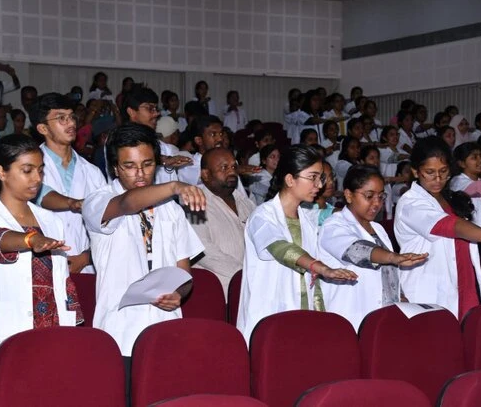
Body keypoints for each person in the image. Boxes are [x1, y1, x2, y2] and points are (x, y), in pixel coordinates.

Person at [0, 135, 82, 407]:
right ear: (1, 172)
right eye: (27, 170)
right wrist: (30, 240)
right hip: (2, 331)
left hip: (51, 333)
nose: (36, 178)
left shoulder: (51, 220)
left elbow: (64, 285)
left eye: (40, 170)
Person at [81, 123, 204, 377]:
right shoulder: (98, 200)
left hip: (165, 329)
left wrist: (179, 294)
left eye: (147, 165)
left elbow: (184, 273)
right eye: (129, 166)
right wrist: (174, 186)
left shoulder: (171, 209)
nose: (140, 174)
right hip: (120, 331)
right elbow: (127, 204)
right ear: (115, 168)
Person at [394, 136, 481, 319]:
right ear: (415, 171)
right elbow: (450, 225)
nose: (438, 178)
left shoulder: (449, 198)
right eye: (430, 172)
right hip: (430, 284)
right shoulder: (411, 203)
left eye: (443, 171)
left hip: (462, 278)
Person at [237, 145, 357, 343]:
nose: (319, 185)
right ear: (290, 179)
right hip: (271, 311)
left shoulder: (306, 217)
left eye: (320, 178)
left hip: (303, 309)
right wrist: (321, 268)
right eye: (313, 177)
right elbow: (280, 248)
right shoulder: (263, 216)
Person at [319, 165, 427, 330]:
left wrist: (400, 295)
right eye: (369, 196)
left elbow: (389, 273)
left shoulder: (378, 229)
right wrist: (393, 257)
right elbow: (356, 250)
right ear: (348, 195)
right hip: (351, 318)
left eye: (381, 196)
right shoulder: (334, 225)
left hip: (383, 318)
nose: (377, 203)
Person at [30, 93, 107, 274]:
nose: (71, 123)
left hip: (86, 267)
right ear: (43, 128)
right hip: (41, 265)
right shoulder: (28, 168)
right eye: (61, 118)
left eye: (72, 117)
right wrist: (75, 203)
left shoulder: (92, 172)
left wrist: (86, 258)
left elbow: (106, 227)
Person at [189, 148, 256, 297]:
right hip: (219, 291)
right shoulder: (193, 203)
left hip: (253, 288)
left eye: (234, 167)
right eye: (224, 167)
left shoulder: (246, 203)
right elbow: (204, 251)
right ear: (206, 174)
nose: (232, 172)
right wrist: (245, 273)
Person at [126, 87, 192, 183]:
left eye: (156, 108)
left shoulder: (162, 146)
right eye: (150, 108)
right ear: (131, 112)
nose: (156, 113)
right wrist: (162, 160)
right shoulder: (118, 141)